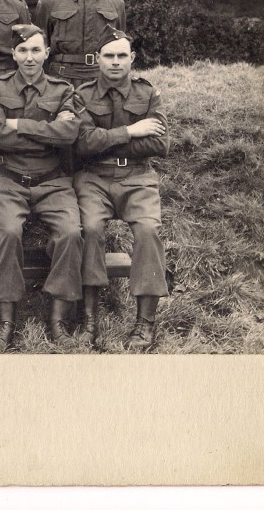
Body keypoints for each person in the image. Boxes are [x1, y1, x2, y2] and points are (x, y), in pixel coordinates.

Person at [0, 24, 83, 351]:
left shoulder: (64, 90)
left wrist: (18, 125)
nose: (29, 57)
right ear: (13, 54)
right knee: (9, 232)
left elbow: (68, 134)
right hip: (6, 178)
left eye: (36, 50)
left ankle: (57, 320)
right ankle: (6, 322)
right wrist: (46, 131)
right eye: (23, 50)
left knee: (70, 232)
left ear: (47, 53)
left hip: (52, 180)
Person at [74, 25, 170, 349]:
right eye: (109, 56)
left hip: (137, 177)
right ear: (98, 59)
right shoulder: (82, 95)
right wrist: (131, 131)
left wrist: (105, 141)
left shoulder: (148, 93)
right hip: (94, 177)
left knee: (148, 231)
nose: (115, 62)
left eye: (121, 56)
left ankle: (145, 323)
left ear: (132, 58)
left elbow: (160, 144)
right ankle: (89, 318)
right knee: (89, 229)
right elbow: (82, 145)